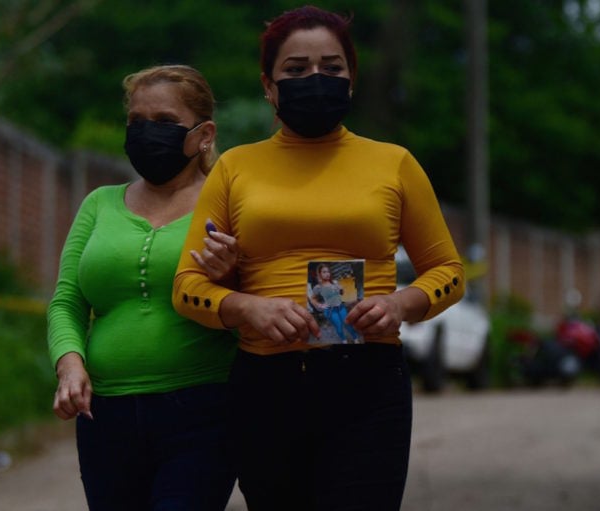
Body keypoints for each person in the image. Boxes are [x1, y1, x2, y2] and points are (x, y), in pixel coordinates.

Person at [173, 6, 465, 511]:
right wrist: (248, 308)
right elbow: (187, 288)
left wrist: (400, 305)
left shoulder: (393, 163)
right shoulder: (235, 167)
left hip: (368, 382)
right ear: (269, 85)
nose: (315, 79)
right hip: (265, 384)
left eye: (332, 68)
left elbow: (449, 273)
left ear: (351, 80)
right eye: (296, 69)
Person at [47, 64, 239, 511]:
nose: (147, 133)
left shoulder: (229, 203)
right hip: (105, 416)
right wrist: (70, 367)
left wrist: (229, 278)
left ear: (204, 133)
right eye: (137, 123)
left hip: (201, 411)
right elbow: (67, 301)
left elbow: (253, 312)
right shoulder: (99, 203)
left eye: (165, 123)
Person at [309, 263, 360, 342]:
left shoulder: (335, 282)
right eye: (324, 272)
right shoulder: (318, 287)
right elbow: (312, 299)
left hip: (341, 307)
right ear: (320, 274)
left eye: (328, 272)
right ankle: (344, 340)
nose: (327, 274)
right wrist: (319, 305)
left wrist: (341, 290)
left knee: (348, 323)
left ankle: (356, 339)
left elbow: (341, 293)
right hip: (331, 310)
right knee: (339, 327)